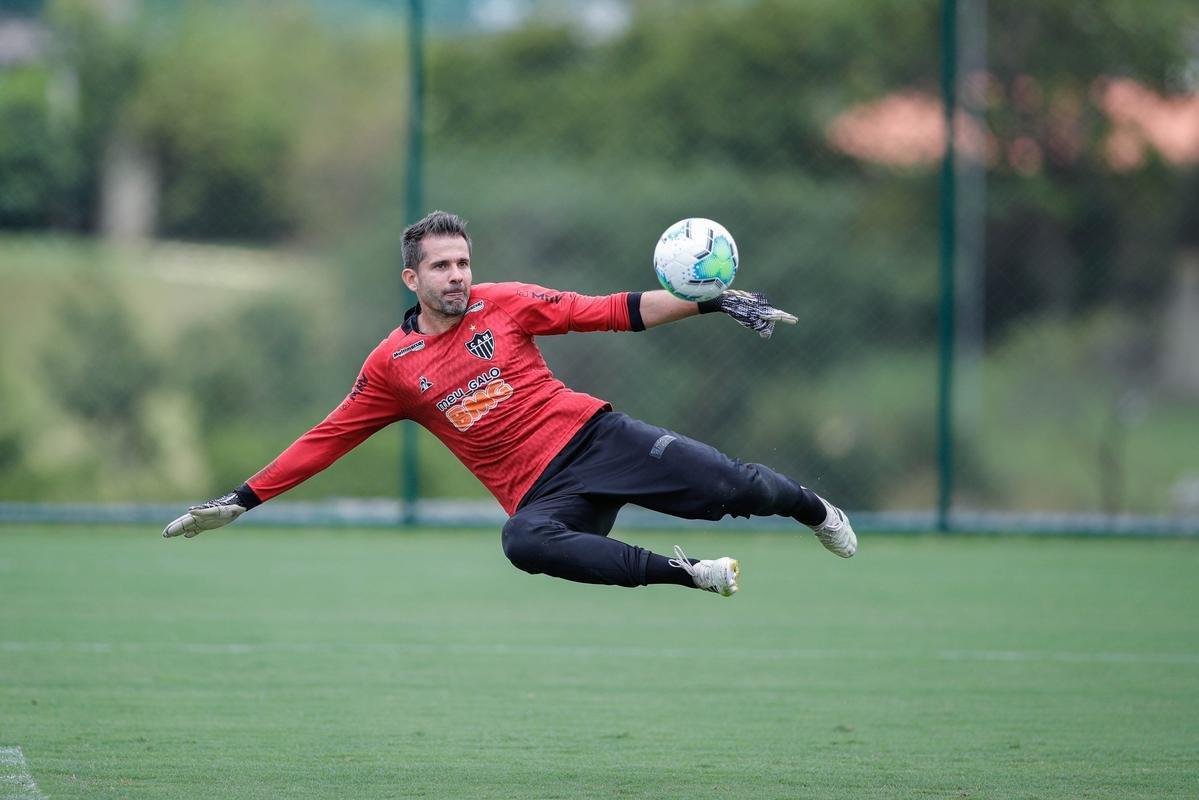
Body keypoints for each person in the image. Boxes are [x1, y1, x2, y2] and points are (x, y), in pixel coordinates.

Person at [163, 211, 857, 596]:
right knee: (522, 542)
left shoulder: (506, 303)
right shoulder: (392, 366)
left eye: (463, 261)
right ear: (413, 278)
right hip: (542, 492)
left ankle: (814, 508)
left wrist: (706, 301)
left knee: (731, 486)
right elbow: (329, 438)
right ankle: (685, 574)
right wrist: (240, 500)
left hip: (596, 438)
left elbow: (610, 311)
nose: (458, 274)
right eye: (441, 265)